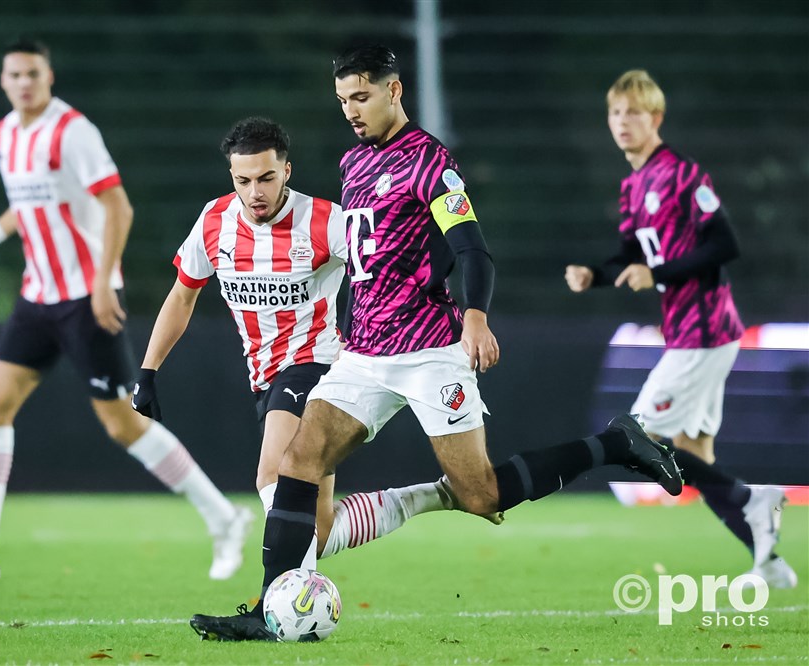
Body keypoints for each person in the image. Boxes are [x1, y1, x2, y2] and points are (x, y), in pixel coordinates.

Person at [188, 45, 684, 641]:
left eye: (362, 96)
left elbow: (471, 244)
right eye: (344, 99)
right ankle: (271, 611)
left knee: (481, 495)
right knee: (299, 459)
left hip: (428, 350)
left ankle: (615, 443)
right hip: (366, 353)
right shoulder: (353, 164)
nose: (351, 109)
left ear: (394, 92)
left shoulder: (430, 162)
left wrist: (473, 314)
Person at [0, 38, 251, 581]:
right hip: (37, 296)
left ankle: (223, 516)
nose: (24, 82)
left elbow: (118, 205)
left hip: (83, 299)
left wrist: (100, 283)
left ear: (49, 77)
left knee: (122, 426)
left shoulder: (73, 131)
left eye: (33, 73)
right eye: (14, 75)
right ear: (3, 82)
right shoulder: (6, 134)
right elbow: (28, 207)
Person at [132, 116, 475, 572]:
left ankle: (286, 603)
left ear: (286, 172)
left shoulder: (325, 220)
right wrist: (148, 371)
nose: (256, 192)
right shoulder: (214, 222)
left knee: (271, 474)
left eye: (267, 178)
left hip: (318, 365)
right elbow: (182, 294)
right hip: (263, 376)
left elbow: (385, 264)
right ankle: (438, 494)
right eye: (244, 180)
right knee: (319, 530)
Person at [564, 69, 796, 589]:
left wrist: (659, 273)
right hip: (690, 333)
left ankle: (752, 499)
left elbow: (723, 245)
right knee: (692, 457)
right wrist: (595, 274)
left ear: (657, 119)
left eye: (634, 113)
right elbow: (633, 256)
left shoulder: (683, 175)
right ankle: (767, 554)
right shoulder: (632, 185)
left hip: (706, 330)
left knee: (638, 436)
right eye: (616, 113)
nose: (623, 122)